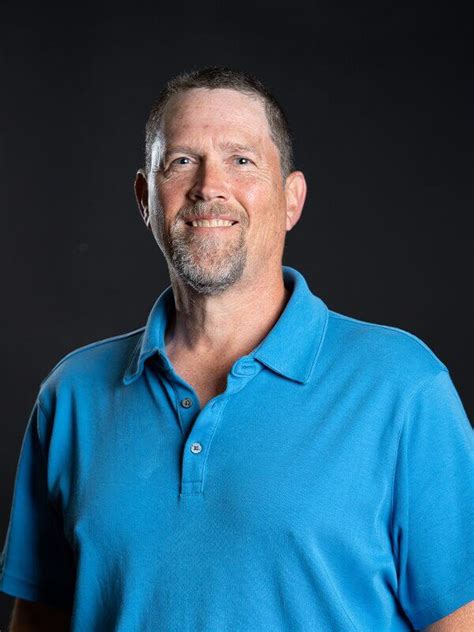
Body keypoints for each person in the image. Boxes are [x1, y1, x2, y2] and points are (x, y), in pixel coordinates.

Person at [0, 66, 472, 632]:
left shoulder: (402, 387)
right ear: (145, 199)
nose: (209, 186)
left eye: (241, 160)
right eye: (181, 161)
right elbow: (39, 619)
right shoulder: (72, 395)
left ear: (291, 199)